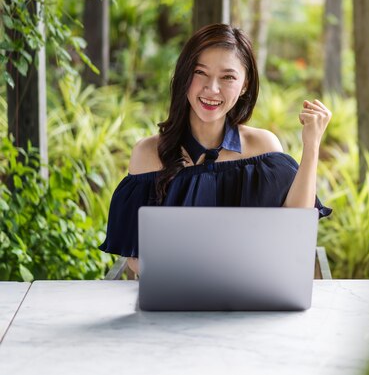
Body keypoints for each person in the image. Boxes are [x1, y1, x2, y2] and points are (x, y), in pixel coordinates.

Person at [99, 23, 332, 274]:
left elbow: (295, 226)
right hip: (174, 303)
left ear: (244, 85)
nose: (212, 89)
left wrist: (312, 145)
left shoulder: (263, 148)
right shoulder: (147, 154)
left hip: (251, 300)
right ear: (184, 76)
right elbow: (134, 255)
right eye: (200, 72)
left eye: (228, 77)